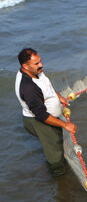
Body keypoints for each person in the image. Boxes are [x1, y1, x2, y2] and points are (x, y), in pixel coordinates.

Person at [15, 48, 76, 177]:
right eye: (36, 63)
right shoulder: (28, 87)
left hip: (48, 117)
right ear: (25, 66)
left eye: (40, 61)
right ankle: (59, 176)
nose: (41, 65)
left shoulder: (36, 72)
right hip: (40, 122)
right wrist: (65, 125)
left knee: (56, 143)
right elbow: (41, 115)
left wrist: (59, 97)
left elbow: (47, 87)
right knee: (53, 152)